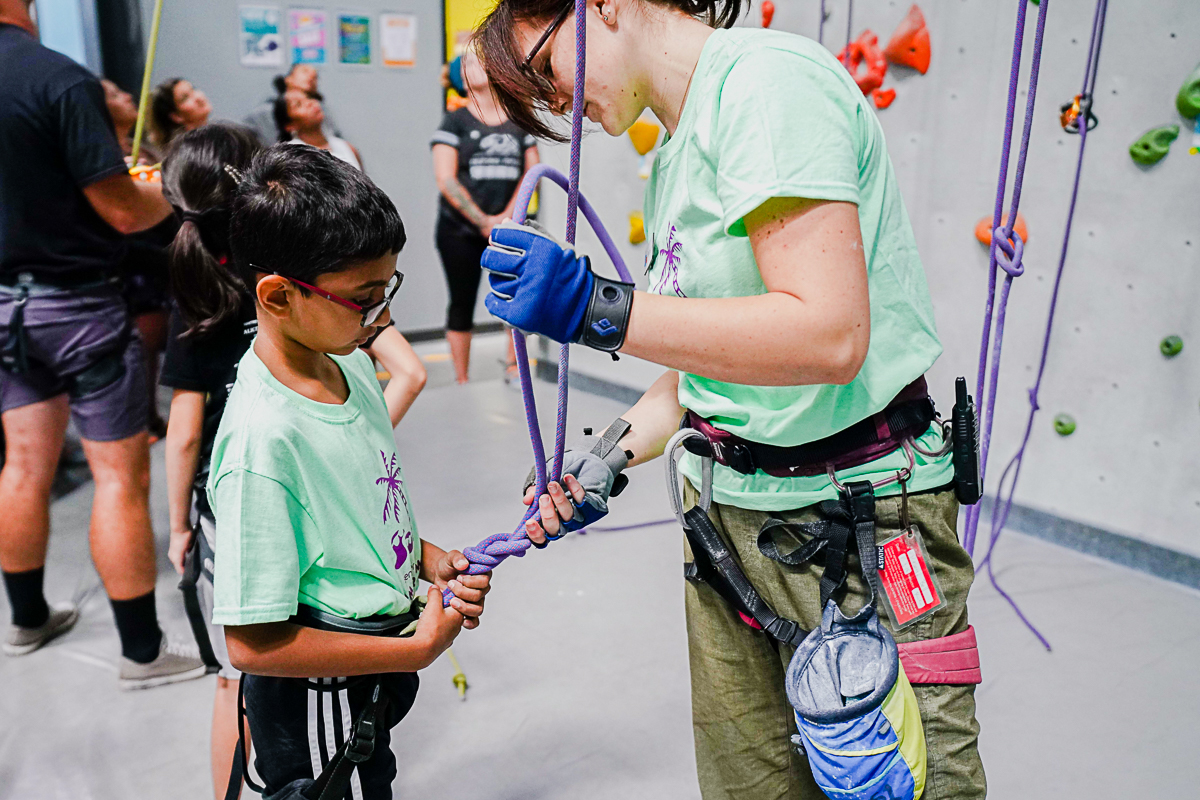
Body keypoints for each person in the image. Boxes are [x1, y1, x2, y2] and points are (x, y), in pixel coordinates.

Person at [474, 1, 987, 798]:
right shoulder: (680, 146)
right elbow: (702, 368)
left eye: (544, 71)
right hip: (728, 525)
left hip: (859, 517)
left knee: (899, 784)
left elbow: (827, 336)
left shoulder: (767, 86)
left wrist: (599, 310)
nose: (553, 106)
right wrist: (602, 464)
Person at [206, 144, 488, 800]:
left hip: (368, 680)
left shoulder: (351, 364)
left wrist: (427, 560)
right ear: (277, 295)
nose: (384, 319)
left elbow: (349, 514)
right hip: (320, 705)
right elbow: (252, 645)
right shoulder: (262, 443)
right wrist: (414, 652)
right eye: (363, 300)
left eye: (387, 289)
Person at [0, 0, 205, 688]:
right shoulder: (57, 78)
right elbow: (119, 207)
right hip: (77, 301)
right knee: (118, 475)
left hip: (4, 307)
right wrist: (172, 200)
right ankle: (143, 653)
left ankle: (28, 619)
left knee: (24, 465)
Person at [430, 48, 539, 383]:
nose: (474, 66)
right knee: (461, 301)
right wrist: (481, 220)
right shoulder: (454, 120)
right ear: (460, 79)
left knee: (515, 295)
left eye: (478, 59)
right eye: (466, 64)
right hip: (459, 230)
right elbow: (446, 178)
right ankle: (461, 380)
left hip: (509, 227)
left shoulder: (520, 120)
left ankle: (513, 365)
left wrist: (506, 217)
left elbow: (533, 171)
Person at [102, 77, 175, 440]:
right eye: (114, 94)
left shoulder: (141, 151)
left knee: (151, 349)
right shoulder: (100, 161)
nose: (127, 95)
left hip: (158, 258)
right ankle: (140, 417)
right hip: (127, 267)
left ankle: (148, 414)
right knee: (139, 349)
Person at [243, 63, 341, 147]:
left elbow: (334, 137)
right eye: (305, 71)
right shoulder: (263, 112)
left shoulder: (319, 109)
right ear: (288, 79)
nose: (311, 77)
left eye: (315, 77)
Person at [274, 88, 363, 170]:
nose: (310, 103)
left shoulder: (347, 147)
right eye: (298, 104)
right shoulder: (290, 156)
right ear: (290, 125)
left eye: (309, 97)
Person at [150, 77, 212, 148]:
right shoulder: (188, 151)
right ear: (176, 116)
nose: (198, 98)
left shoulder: (212, 138)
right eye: (185, 98)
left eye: (193, 89)